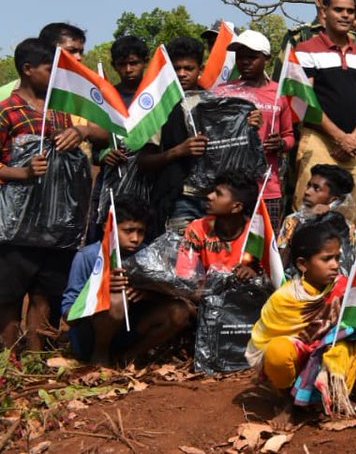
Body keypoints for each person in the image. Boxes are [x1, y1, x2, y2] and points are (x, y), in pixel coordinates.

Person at [0, 38, 107, 351]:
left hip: (59, 227)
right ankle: (10, 361)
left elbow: (107, 132)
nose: (57, 76)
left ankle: (36, 359)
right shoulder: (7, 112)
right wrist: (22, 172)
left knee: (46, 294)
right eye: (51, 69)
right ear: (28, 69)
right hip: (15, 229)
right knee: (8, 296)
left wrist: (83, 131)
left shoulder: (63, 109)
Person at [246, 223, 356, 414]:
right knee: (277, 351)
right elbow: (263, 344)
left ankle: (348, 391)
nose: (335, 265)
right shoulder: (285, 298)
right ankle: (289, 402)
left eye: (337, 258)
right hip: (299, 358)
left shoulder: (340, 285)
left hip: (334, 354)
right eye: (327, 259)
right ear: (302, 264)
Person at [62, 198, 190, 365]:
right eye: (128, 231)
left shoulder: (147, 254)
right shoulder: (88, 256)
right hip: (90, 336)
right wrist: (99, 292)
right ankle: (99, 357)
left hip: (131, 331)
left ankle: (130, 356)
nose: (135, 238)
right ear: (108, 228)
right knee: (116, 299)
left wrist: (146, 294)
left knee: (180, 311)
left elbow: (167, 294)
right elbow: (68, 313)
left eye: (140, 231)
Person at [294, 0, 356, 218]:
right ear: (324, 12)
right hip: (318, 140)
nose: (345, 15)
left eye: (350, 11)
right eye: (338, 9)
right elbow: (305, 101)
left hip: (355, 144)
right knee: (308, 211)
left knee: (347, 214)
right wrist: (339, 136)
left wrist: (353, 138)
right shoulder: (305, 49)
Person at [212, 30, 295, 230]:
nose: (245, 62)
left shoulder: (280, 92)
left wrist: (281, 144)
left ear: (265, 58)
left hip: (267, 187)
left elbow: (289, 136)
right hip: (231, 189)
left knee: (266, 249)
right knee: (229, 245)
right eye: (240, 57)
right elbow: (213, 136)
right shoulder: (222, 91)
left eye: (252, 57)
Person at [136, 36, 212, 233]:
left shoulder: (215, 104)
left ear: (201, 69)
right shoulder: (159, 107)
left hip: (215, 198)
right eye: (176, 69)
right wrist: (178, 151)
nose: (182, 74)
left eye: (189, 68)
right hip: (179, 197)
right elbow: (144, 160)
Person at [175, 176, 259, 284]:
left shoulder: (255, 234)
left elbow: (268, 275)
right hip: (204, 293)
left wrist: (251, 273)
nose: (209, 196)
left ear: (237, 207)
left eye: (218, 194)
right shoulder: (197, 228)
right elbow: (184, 273)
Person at [278, 164, 356, 275]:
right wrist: (302, 224)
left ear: (332, 199)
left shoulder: (347, 228)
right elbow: (280, 264)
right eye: (308, 186)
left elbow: (347, 267)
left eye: (316, 188)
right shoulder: (293, 220)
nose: (307, 192)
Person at [275, 0, 343, 74]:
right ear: (318, 1)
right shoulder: (298, 36)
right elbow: (280, 77)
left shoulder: (351, 37)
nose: (336, 1)